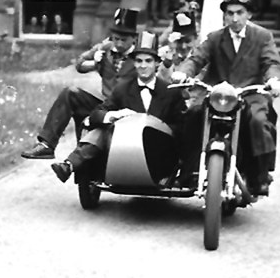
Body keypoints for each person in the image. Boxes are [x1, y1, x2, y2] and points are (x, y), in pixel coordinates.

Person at [172, 0, 280, 197]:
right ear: (224, 16)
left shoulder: (262, 36)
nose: (234, 18)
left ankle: (259, 175)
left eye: (240, 12)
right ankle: (187, 168)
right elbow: (197, 57)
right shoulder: (216, 38)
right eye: (230, 13)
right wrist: (182, 72)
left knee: (258, 121)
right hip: (218, 92)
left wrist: (273, 80)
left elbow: (272, 62)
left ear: (249, 14)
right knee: (193, 113)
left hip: (250, 94)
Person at [50, 31, 186, 183]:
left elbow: (182, 128)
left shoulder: (170, 92)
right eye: (139, 61)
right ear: (134, 63)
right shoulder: (123, 89)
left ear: (157, 64)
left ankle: (70, 164)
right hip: (126, 153)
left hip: (159, 156)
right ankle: (70, 165)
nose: (143, 66)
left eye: (148, 61)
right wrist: (114, 115)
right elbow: (96, 114)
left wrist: (159, 128)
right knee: (103, 128)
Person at [21, 8, 138, 159]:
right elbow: (79, 64)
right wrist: (94, 63)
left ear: (133, 39)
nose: (119, 44)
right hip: (104, 107)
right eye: (116, 39)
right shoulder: (105, 49)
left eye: (124, 40)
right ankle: (47, 144)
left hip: (130, 111)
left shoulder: (142, 57)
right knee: (70, 93)